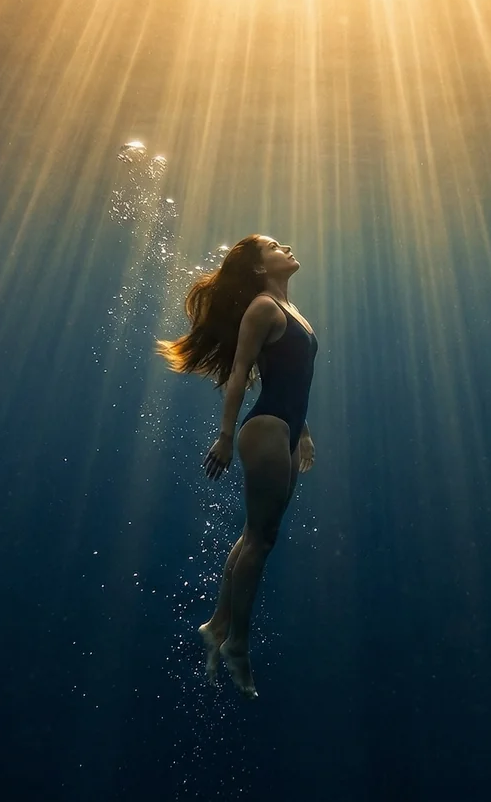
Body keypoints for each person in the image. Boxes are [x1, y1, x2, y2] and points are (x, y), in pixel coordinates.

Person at [157, 234, 318, 699]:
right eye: (274, 246)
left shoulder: (291, 312)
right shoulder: (263, 308)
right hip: (264, 429)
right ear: (257, 267)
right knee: (261, 540)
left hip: (285, 429)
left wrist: (303, 432)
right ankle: (238, 644)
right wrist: (225, 437)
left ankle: (219, 624)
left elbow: (292, 378)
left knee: (257, 534)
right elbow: (238, 374)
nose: (287, 247)